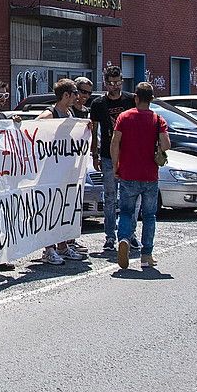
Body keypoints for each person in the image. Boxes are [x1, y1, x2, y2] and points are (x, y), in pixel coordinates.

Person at [111, 82, 171, 270]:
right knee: (149, 215)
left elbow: (115, 143)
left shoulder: (124, 117)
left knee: (127, 211)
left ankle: (124, 240)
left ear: (136, 98)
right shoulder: (157, 119)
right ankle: (146, 255)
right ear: (151, 99)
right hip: (149, 175)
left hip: (128, 172)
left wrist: (115, 166)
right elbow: (167, 145)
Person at [35, 78, 89, 265]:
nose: (78, 96)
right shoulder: (49, 114)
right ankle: (48, 249)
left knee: (64, 208)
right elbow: (35, 130)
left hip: (67, 171)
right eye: (75, 93)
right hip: (50, 172)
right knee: (50, 209)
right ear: (66, 95)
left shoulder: (71, 112)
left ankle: (63, 246)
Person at [90, 67, 139, 254]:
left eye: (118, 82)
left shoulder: (130, 99)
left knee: (131, 198)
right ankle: (110, 236)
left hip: (129, 156)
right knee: (110, 197)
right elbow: (94, 131)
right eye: (111, 83)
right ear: (105, 82)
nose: (115, 86)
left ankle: (129, 234)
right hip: (108, 155)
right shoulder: (98, 103)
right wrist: (94, 154)